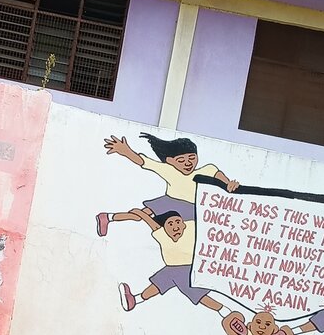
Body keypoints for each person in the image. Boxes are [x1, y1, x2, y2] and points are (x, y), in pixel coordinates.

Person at [96, 133, 239, 236]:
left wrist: (230, 185)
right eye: (181, 160)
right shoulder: (168, 170)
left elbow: (222, 178)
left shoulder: (208, 169)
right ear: (170, 160)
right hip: (169, 201)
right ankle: (107, 217)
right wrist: (126, 151)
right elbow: (143, 161)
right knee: (140, 215)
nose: (188, 163)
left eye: (191, 158)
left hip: (191, 207)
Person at [117, 209, 224, 314]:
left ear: (184, 225)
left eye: (178, 222)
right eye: (170, 224)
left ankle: (224, 311)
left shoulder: (191, 229)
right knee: (159, 282)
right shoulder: (163, 236)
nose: (175, 227)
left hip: (189, 270)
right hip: (172, 269)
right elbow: (153, 224)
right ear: (164, 229)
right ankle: (135, 300)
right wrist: (141, 214)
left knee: (196, 294)